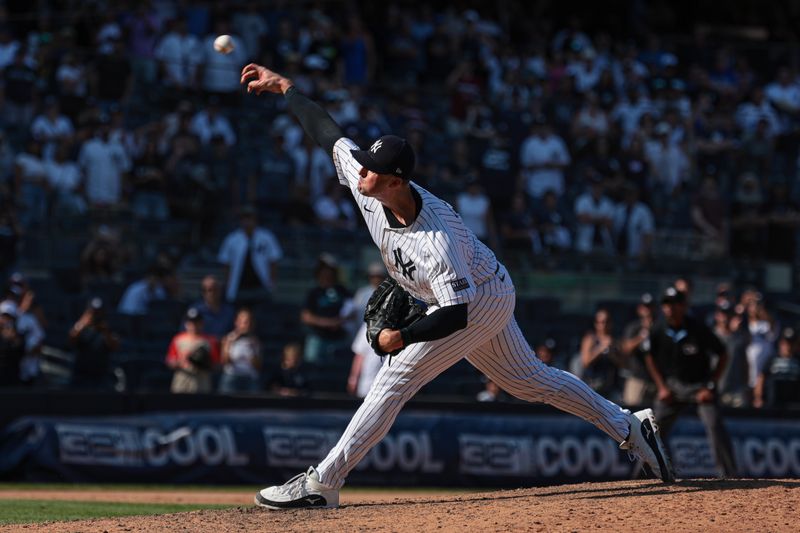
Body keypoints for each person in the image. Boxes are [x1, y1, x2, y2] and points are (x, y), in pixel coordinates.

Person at [240, 63, 674, 510]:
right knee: (530, 381)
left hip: (477, 297)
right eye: (363, 165)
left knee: (397, 375)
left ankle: (323, 483)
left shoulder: (437, 237)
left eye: (371, 170)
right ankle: (629, 426)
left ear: (395, 181)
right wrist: (286, 87)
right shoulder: (370, 182)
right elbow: (327, 133)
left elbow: (457, 313)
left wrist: (403, 335)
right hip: (470, 290)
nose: (359, 172)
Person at [644, 286, 737, 478]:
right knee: (651, 427)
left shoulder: (697, 328)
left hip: (699, 386)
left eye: (675, 304)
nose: (670, 308)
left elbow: (723, 353)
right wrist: (661, 387)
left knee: (714, 424)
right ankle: (641, 478)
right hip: (672, 387)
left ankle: (729, 476)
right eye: (667, 304)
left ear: (683, 306)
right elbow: (649, 356)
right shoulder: (659, 329)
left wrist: (710, 385)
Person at [218, 205, 283, 305]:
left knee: (261, 317)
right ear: (240, 220)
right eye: (244, 217)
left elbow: (274, 261)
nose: (247, 221)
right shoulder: (232, 239)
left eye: (250, 217)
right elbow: (226, 265)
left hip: (261, 287)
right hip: (239, 288)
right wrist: (228, 285)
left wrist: (272, 283)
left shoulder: (267, 237)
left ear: (256, 219)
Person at [300, 253, 353, 363]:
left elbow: (353, 312)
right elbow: (306, 316)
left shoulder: (342, 290)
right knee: (312, 366)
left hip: (339, 337)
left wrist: (339, 322)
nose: (326, 273)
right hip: (318, 337)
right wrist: (328, 323)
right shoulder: (314, 292)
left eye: (329, 270)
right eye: (323, 270)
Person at [68, 297, 120, 390]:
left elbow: (114, 347)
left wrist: (105, 331)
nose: (96, 316)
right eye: (93, 312)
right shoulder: (81, 328)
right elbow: (71, 340)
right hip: (81, 377)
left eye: (98, 312)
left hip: (101, 378)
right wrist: (83, 322)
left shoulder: (107, 329)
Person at [165, 307, 220, 393]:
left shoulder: (209, 341)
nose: (193, 326)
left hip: (201, 380)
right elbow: (169, 361)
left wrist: (205, 363)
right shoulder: (178, 339)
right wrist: (182, 361)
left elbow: (216, 364)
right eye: (190, 323)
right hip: (183, 378)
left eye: (196, 322)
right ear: (186, 324)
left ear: (201, 323)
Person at [218, 308, 262, 394]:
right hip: (232, 376)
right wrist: (228, 346)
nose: (247, 325)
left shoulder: (255, 341)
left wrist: (252, 350)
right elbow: (224, 361)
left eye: (249, 322)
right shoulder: (228, 338)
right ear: (237, 322)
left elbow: (258, 367)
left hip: (250, 378)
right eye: (244, 322)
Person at [346, 322, 384, 398]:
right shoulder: (370, 324)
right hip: (368, 383)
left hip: (392, 384)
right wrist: (353, 378)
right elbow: (360, 353)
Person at [192, 275, 235, 339]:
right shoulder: (195, 311)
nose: (212, 293)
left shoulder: (229, 312)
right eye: (209, 290)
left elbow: (235, 332)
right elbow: (185, 333)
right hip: (201, 345)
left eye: (215, 289)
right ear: (203, 292)